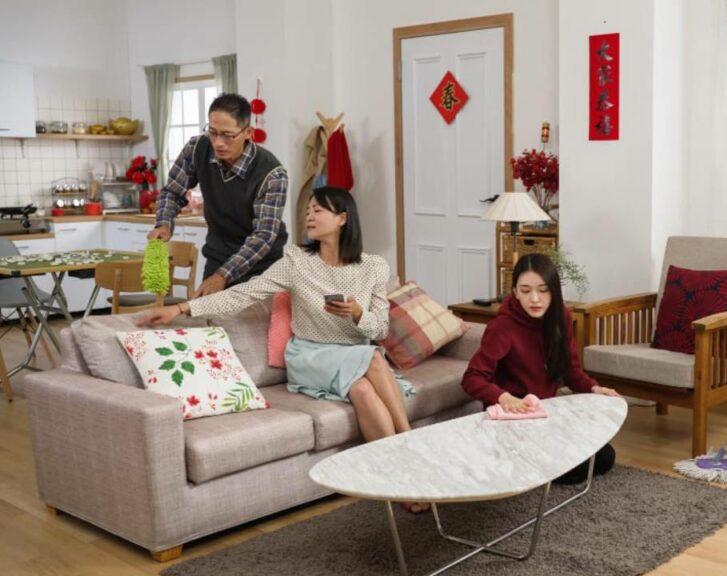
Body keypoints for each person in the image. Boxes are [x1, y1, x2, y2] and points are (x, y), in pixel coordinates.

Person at [144, 187, 426, 513]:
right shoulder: (295, 262)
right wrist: (182, 309)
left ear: (343, 219)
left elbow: (380, 329)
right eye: (308, 209)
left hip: (353, 355)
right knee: (374, 360)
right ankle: (413, 452)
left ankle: (395, 481)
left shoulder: (373, 267)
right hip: (310, 355)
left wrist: (358, 314)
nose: (310, 215)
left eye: (319, 210)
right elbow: (245, 294)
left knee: (364, 390)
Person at [462, 253, 621, 485]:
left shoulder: (561, 318)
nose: (535, 299)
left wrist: (594, 389)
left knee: (605, 455)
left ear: (554, 291)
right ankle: (517, 463)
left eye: (543, 290)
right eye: (525, 291)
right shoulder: (503, 326)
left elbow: (570, 370)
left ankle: (528, 466)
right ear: (515, 292)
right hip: (512, 422)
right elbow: (472, 378)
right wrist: (505, 398)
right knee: (584, 463)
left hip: (543, 415)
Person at [148, 93, 289, 296]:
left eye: (227, 135)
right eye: (213, 132)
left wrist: (222, 276)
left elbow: (263, 236)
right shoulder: (197, 148)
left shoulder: (272, 174)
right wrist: (164, 223)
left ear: (248, 132)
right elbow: (172, 191)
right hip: (218, 256)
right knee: (209, 323)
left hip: (261, 265)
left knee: (251, 327)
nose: (218, 143)